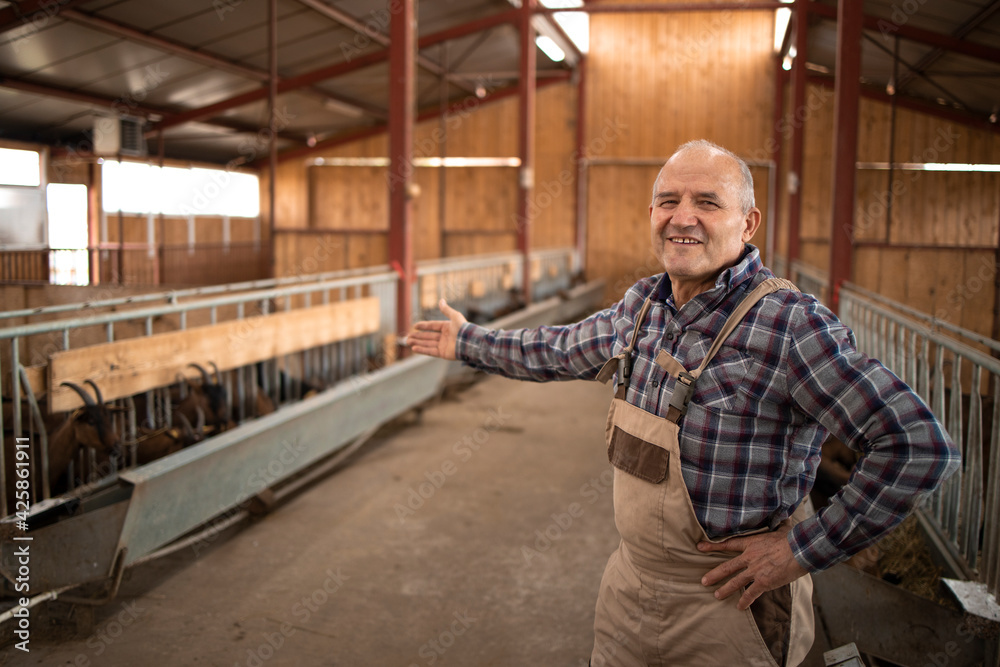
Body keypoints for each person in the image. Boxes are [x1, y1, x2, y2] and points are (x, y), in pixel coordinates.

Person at [405, 139, 960, 666]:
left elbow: (915, 446)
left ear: (748, 223)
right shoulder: (642, 309)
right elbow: (557, 349)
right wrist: (467, 342)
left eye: (707, 203)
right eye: (668, 201)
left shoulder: (790, 325)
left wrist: (800, 551)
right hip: (629, 587)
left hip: (731, 606)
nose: (682, 217)